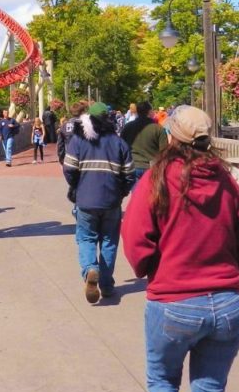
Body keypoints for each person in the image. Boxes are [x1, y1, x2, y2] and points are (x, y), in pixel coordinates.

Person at [123, 105, 239, 392]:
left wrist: (148, 267)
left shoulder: (156, 178)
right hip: (227, 303)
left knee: (162, 382)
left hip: (174, 299)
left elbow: (135, 240)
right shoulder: (225, 180)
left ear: (171, 137)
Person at [62, 102, 134, 304]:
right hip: (111, 200)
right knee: (109, 241)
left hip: (85, 200)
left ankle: (90, 269)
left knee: (86, 239)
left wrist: (77, 187)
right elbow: (129, 174)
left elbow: (68, 169)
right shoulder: (119, 142)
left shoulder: (78, 141)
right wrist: (122, 192)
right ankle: (107, 284)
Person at [121, 101, 169, 184]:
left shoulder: (128, 127)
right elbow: (164, 151)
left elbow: (121, 146)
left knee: (136, 194)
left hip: (133, 165)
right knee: (149, 195)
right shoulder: (158, 129)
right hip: (151, 167)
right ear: (150, 112)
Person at [57, 101, 86, 165]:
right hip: (84, 158)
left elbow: (60, 145)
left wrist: (61, 158)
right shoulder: (86, 125)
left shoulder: (64, 126)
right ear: (82, 112)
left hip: (69, 158)